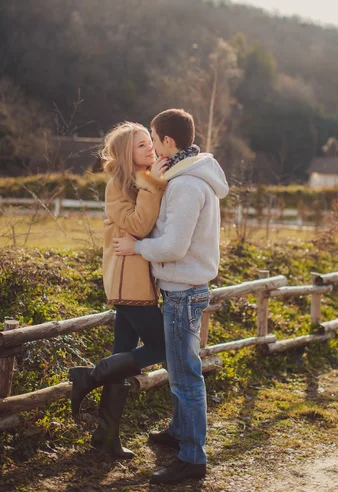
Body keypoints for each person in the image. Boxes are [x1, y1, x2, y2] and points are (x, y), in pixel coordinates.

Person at [113, 109, 229, 484]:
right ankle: (179, 432)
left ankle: (192, 459)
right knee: (182, 369)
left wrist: (137, 246)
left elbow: (174, 246)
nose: (151, 143)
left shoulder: (185, 185)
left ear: (168, 142)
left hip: (182, 291)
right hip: (184, 288)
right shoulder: (190, 175)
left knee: (185, 378)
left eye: (153, 136)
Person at [68, 121, 168, 459]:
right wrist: (154, 182)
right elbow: (140, 225)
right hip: (129, 281)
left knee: (122, 356)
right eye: (141, 145)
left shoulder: (141, 180)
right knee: (164, 345)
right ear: (127, 153)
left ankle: (106, 435)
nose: (149, 149)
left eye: (149, 143)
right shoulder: (119, 185)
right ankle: (89, 377)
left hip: (136, 279)